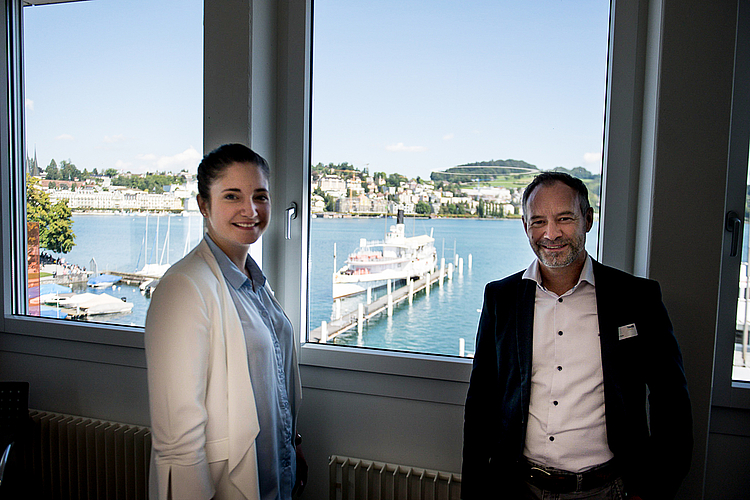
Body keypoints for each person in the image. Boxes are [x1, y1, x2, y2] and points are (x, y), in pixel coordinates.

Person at [461, 172, 692, 500]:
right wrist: (475, 489)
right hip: (516, 488)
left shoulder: (636, 298)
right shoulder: (502, 298)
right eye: (538, 221)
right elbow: (482, 400)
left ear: (588, 219)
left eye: (564, 218)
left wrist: (655, 489)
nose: (551, 233)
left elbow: (672, 400)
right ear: (525, 226)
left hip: (609, 489)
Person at [145, 144, 304, 500]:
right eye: (232, 196)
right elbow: (177, 443)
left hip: (276, 479)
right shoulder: (184, 288)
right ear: (204, 205)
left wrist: (290, 453)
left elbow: (272, 385)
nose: (250, 210)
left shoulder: (254, 283)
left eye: (260, 196)